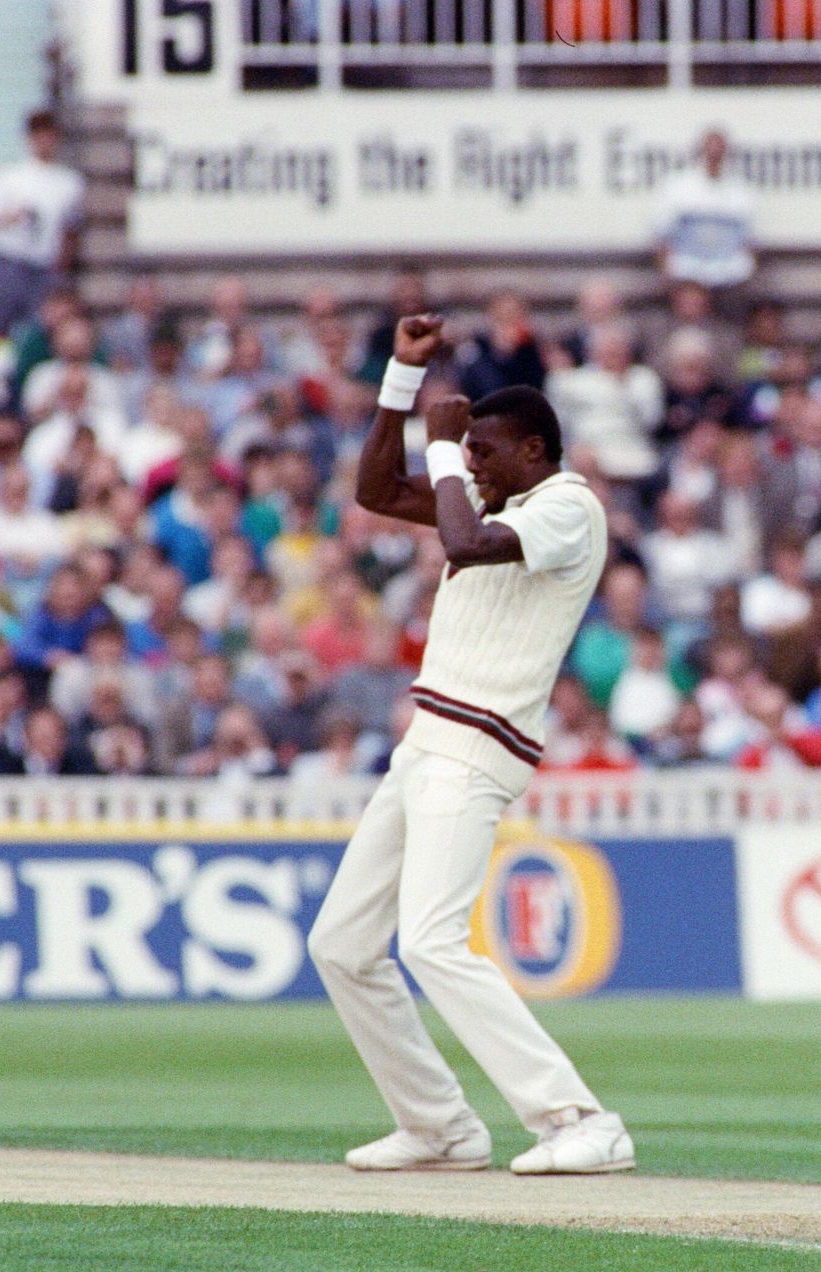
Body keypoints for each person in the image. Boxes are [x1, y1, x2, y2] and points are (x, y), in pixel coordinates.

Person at [308, 314, 633, 1176]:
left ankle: (579, 1119)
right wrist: (400, 384)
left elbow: (463, 539)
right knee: (341, 944)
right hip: (426, 744)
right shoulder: (494, 494)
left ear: (533, 449)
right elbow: (378, 492)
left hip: (476, 751)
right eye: (472, 455)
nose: (473, 467)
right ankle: (440, 1127)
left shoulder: (569, 508)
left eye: (489, 454)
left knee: (432, 943)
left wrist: (448, 448)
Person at [0, 111, 85, 335]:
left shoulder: (70, 182)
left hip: (43, 268)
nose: (44, 141)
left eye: (49, 135)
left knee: (41, 330)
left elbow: (71, 230)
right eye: (38, 135)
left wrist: (61, 268)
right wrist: (8, 217)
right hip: (6, 262)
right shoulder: (9, 176)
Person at [650, 128, 756, 291]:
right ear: (700, 152)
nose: (714, 157)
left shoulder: (741, 191)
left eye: (719, 153)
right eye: (710, 152)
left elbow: (749, 242)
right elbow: (663, 238)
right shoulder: (677, 188)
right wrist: (668, 278)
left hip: (729, 277)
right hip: (686, 275)